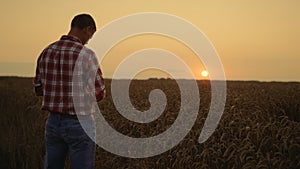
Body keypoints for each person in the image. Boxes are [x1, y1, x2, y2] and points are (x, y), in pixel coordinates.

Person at [33, 14, 105, 169]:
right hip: (80, 122)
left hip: (53, 123)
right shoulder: (86, 55)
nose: (88, 40)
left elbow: (38, 88)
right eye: (90, 36)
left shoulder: (46, 52)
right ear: (87, 29)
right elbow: (99, 91)